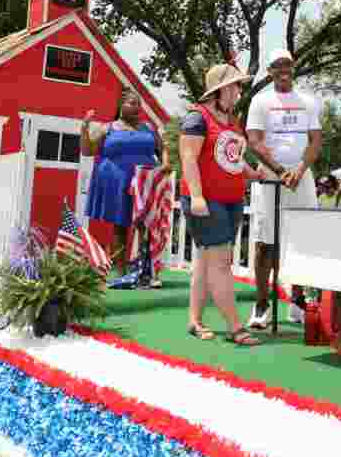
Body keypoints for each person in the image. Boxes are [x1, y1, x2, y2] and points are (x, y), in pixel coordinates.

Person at [180, 63, 265, 345]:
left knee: (205, 262)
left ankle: (194, 321)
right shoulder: (197, 118)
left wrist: (252, 173)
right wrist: (197, 196)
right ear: (221, 89)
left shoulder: (231, 120)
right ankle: (235, 327)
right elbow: (188, 158)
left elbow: (233, 156)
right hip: (207, 201)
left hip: (231, 200)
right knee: (221, 262)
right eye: (236, 85)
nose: (239, 90)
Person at [246, 48, 324, 328]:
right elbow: (254, 140)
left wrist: (299, 169)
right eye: (277, 65)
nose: (283, 70)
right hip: (270, 176)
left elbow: (316, 140)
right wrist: (280, 171)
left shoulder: (309, 101)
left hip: (301, 176)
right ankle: (261, 305)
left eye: (287, 64)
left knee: (302, 239)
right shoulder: (260, 100)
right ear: (269, 71)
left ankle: (297, 301)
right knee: (265, 242)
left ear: (293, 67)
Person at [82, 88, 163, 280]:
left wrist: (164, 169)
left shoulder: (148, 128)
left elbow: (161, 150)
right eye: (132, 103)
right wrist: (84, 129)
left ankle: (145, 271)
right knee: (120, 226)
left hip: (144, 182)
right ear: (121, 105)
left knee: (146, 225)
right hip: (116, 181)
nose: (137, 108)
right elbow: (87, 151)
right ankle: (121, 273)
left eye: (139, 104)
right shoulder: (107, 128)